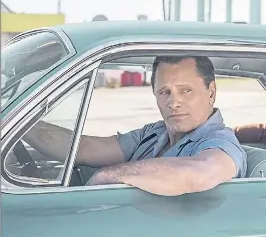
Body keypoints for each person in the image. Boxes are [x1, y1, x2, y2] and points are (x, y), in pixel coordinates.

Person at [24, 56, 247, 195]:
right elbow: (84, 148)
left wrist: (107, 176)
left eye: (185, 90)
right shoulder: (154, 133)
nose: (174, 101)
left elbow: (200, 173)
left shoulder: (220, 142)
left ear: (211, 92)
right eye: (164, 92)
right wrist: (25, 126)